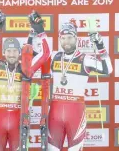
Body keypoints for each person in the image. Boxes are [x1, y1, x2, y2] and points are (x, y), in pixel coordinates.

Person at [0, 10, 50, 151]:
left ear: (19, 52)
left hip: (18, 119)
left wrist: (41, 31)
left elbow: (46, 54)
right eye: (8, 51)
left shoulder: (27, 67)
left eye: (15, 51)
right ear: (4, 52)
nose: (12, 54)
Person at [48, 22, 113, 150]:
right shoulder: (54, 56)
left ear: (76, 38)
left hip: (75, 113)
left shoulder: (85, 59)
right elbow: (32, 57)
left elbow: (108, 69)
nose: (66, 41)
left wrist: (100, 45)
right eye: (63, 37)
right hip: (55, 112)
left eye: (70, 37)